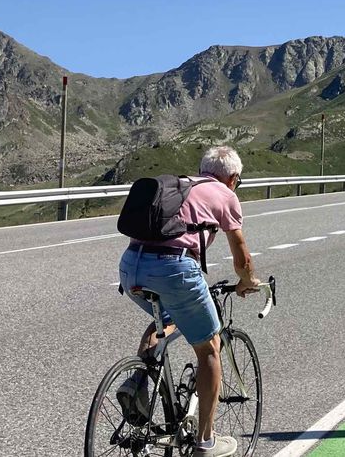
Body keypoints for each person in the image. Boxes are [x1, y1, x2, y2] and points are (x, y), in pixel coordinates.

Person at [117, 145, 262, 457]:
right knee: (209, 349)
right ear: (233, 178)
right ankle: (206, 442)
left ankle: (139, 380)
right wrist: (248, 282)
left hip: (130, 266)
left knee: (164, 319)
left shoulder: (181, 186)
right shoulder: (226, 195)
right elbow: (242, 256)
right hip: (174, 268)